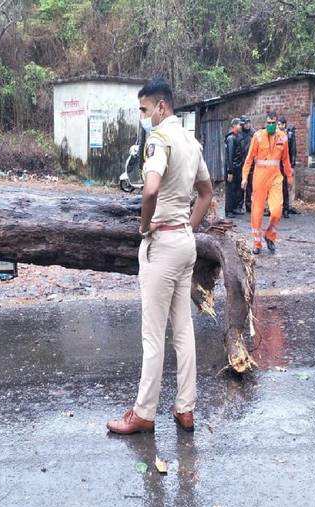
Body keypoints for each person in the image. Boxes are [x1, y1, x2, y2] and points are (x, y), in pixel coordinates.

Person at [106, 78, 214, 435]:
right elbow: (206, 192)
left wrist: (144, 227)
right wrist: (188, 227)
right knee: (183, 330)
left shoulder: (160, 139)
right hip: (185, 243)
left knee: (153, 336)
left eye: (144, 109)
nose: (143, 116)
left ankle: (144, 413)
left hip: (162, 245)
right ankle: (186, 408)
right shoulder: (190, 140)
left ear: (161, 107)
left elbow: (150, 189)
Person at [241, 111, 293, 254]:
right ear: (265, 123)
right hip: (259, 178)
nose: (271, 125)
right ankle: (257, 243)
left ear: (277, 123)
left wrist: (289, 177)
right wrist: (244, 177)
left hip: (276, 177)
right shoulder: (257, 136)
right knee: (257, 212)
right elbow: (249, 159)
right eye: (268, 123)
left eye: (273, 123)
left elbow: (286, 160)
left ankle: (269, 236)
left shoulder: (283, 137)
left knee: (277, 210)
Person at [277, 116, 300, 217]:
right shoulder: (276, 134)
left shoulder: (289, 135)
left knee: (288, 187)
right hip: (278, 164)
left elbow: (293, 150)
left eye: (280, 124)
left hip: (287, 163)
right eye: (278, 124)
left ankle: (287, 207)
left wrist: (292, 165)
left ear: (284, 124)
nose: (279, 126)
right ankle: (279, 207)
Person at [224, 118, 244, 218]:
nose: (241, 126)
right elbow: (230, 156)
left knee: (236, 189)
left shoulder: (237, 137)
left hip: (237, 168)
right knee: (230, 190)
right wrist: (230, 171)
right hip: (232, 168)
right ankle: (228, 211)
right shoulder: (231, 138)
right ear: (234, 126)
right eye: (239, 125)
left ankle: (234, 208)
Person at [237, 116, 255, 212]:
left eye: (249, 123)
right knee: (241, 185)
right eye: (246, 123)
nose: (248, 125)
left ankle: (249, 205)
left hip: (251, 162)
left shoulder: (253, 134)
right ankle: (239, 205)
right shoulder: (239, 134)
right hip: (241, 162)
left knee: (250, 186)